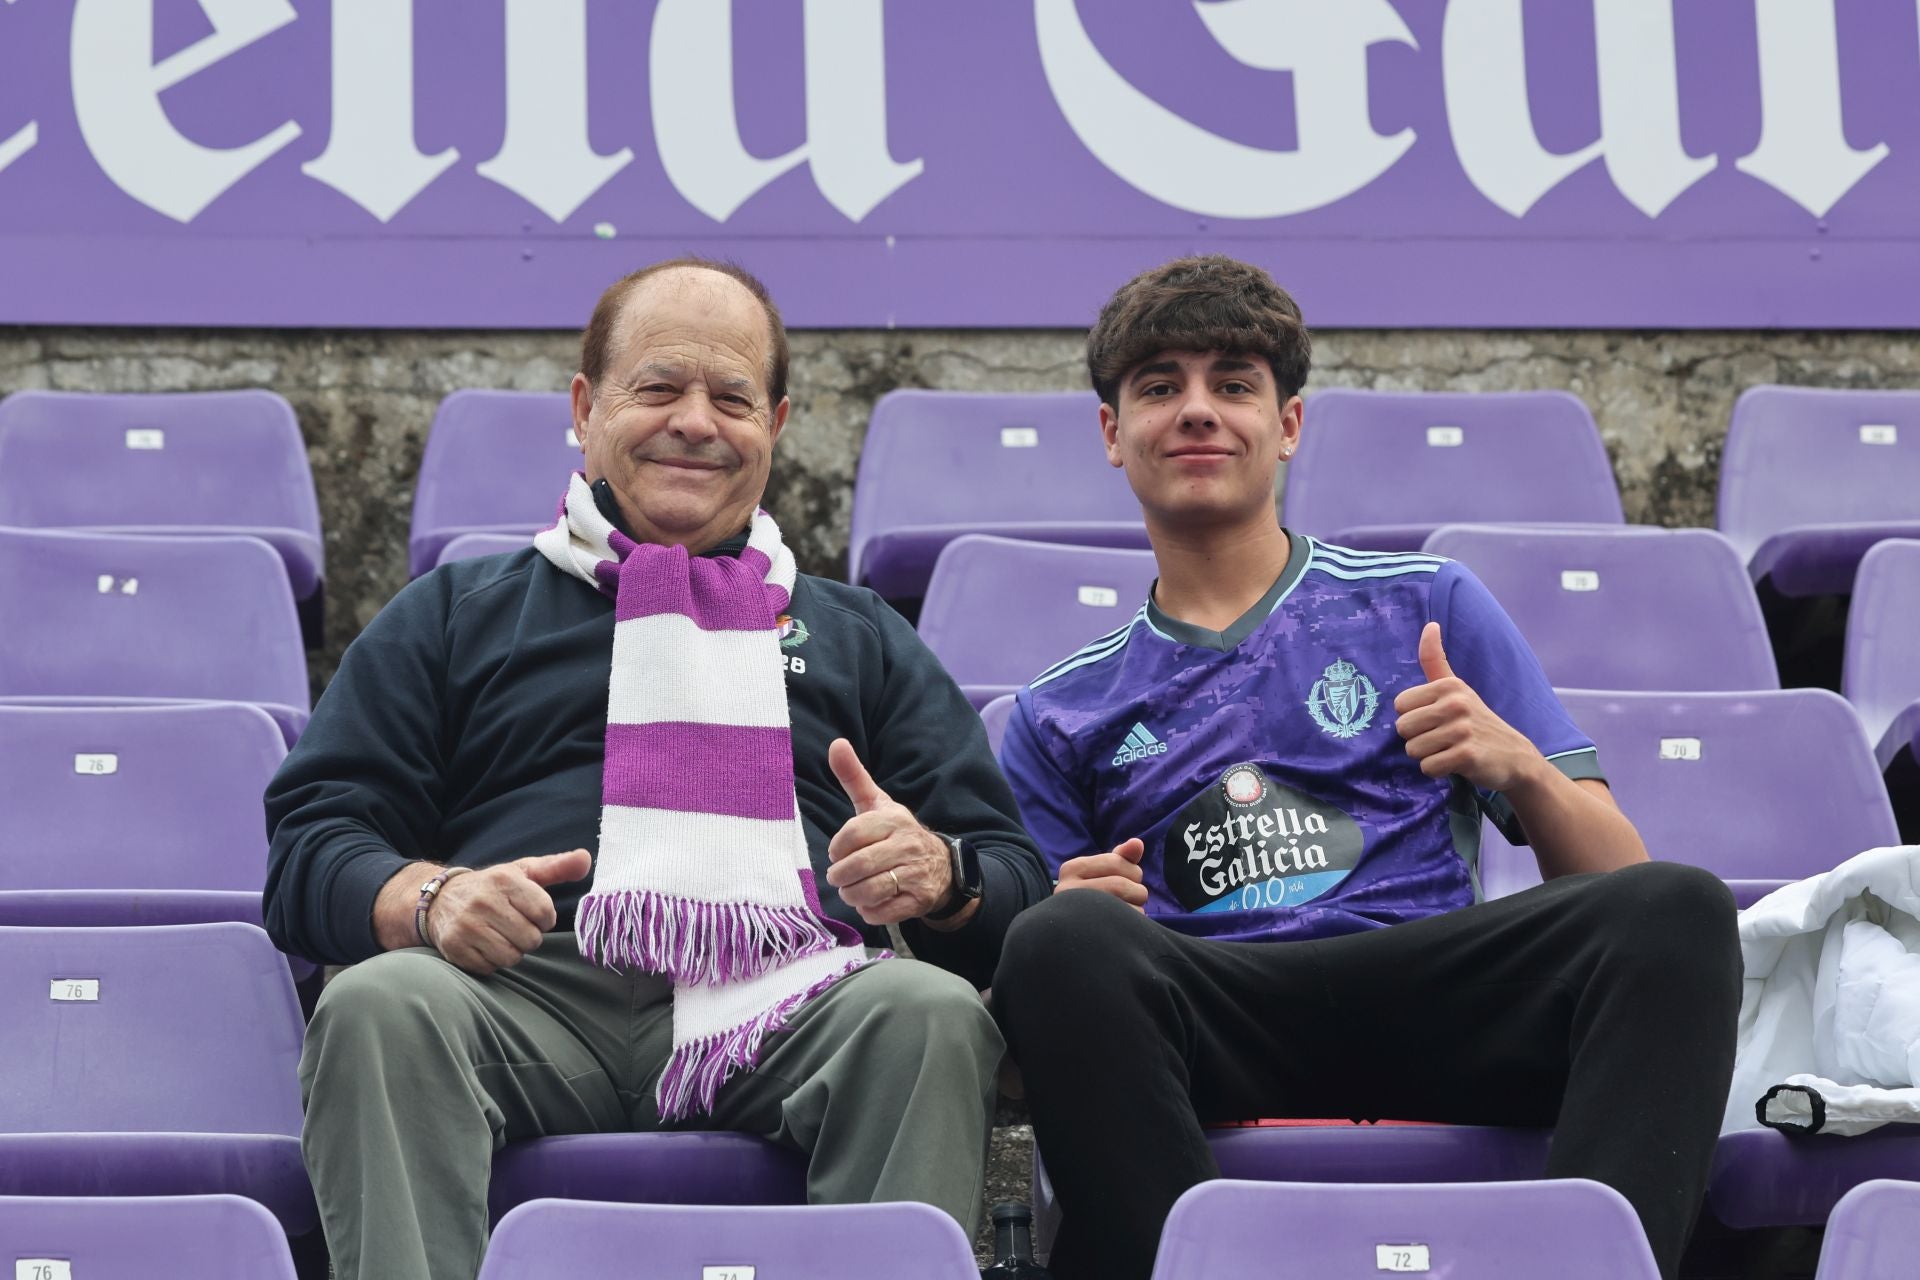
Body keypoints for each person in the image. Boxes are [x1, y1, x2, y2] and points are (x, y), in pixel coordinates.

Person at [265, 257, 1050, 1280]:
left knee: (931, 1015)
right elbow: (310, 848)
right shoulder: (458, 613)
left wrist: (945, 878)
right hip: (520, 992)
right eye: (659, 387)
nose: (696, 421)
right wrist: (430, 896)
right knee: (376, 1008)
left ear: (775, 422)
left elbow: (1016, 879)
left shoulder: (855, 634)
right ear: (587, 407)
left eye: (731, 397)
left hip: (788, 1000)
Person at [991, 255, 1742, 1280]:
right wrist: (1078, 903)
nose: (1198, 410)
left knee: (1679, 909)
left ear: (1288, 424)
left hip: (1433, 989)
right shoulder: (1057, 708)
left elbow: (1614, 876)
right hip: (1223, 1015)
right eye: (1160, 385)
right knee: (1055, 940)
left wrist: (1516, 765)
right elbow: (1038, 1016)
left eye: (1234, 383)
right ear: (1113, 434)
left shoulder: (1426, 601)